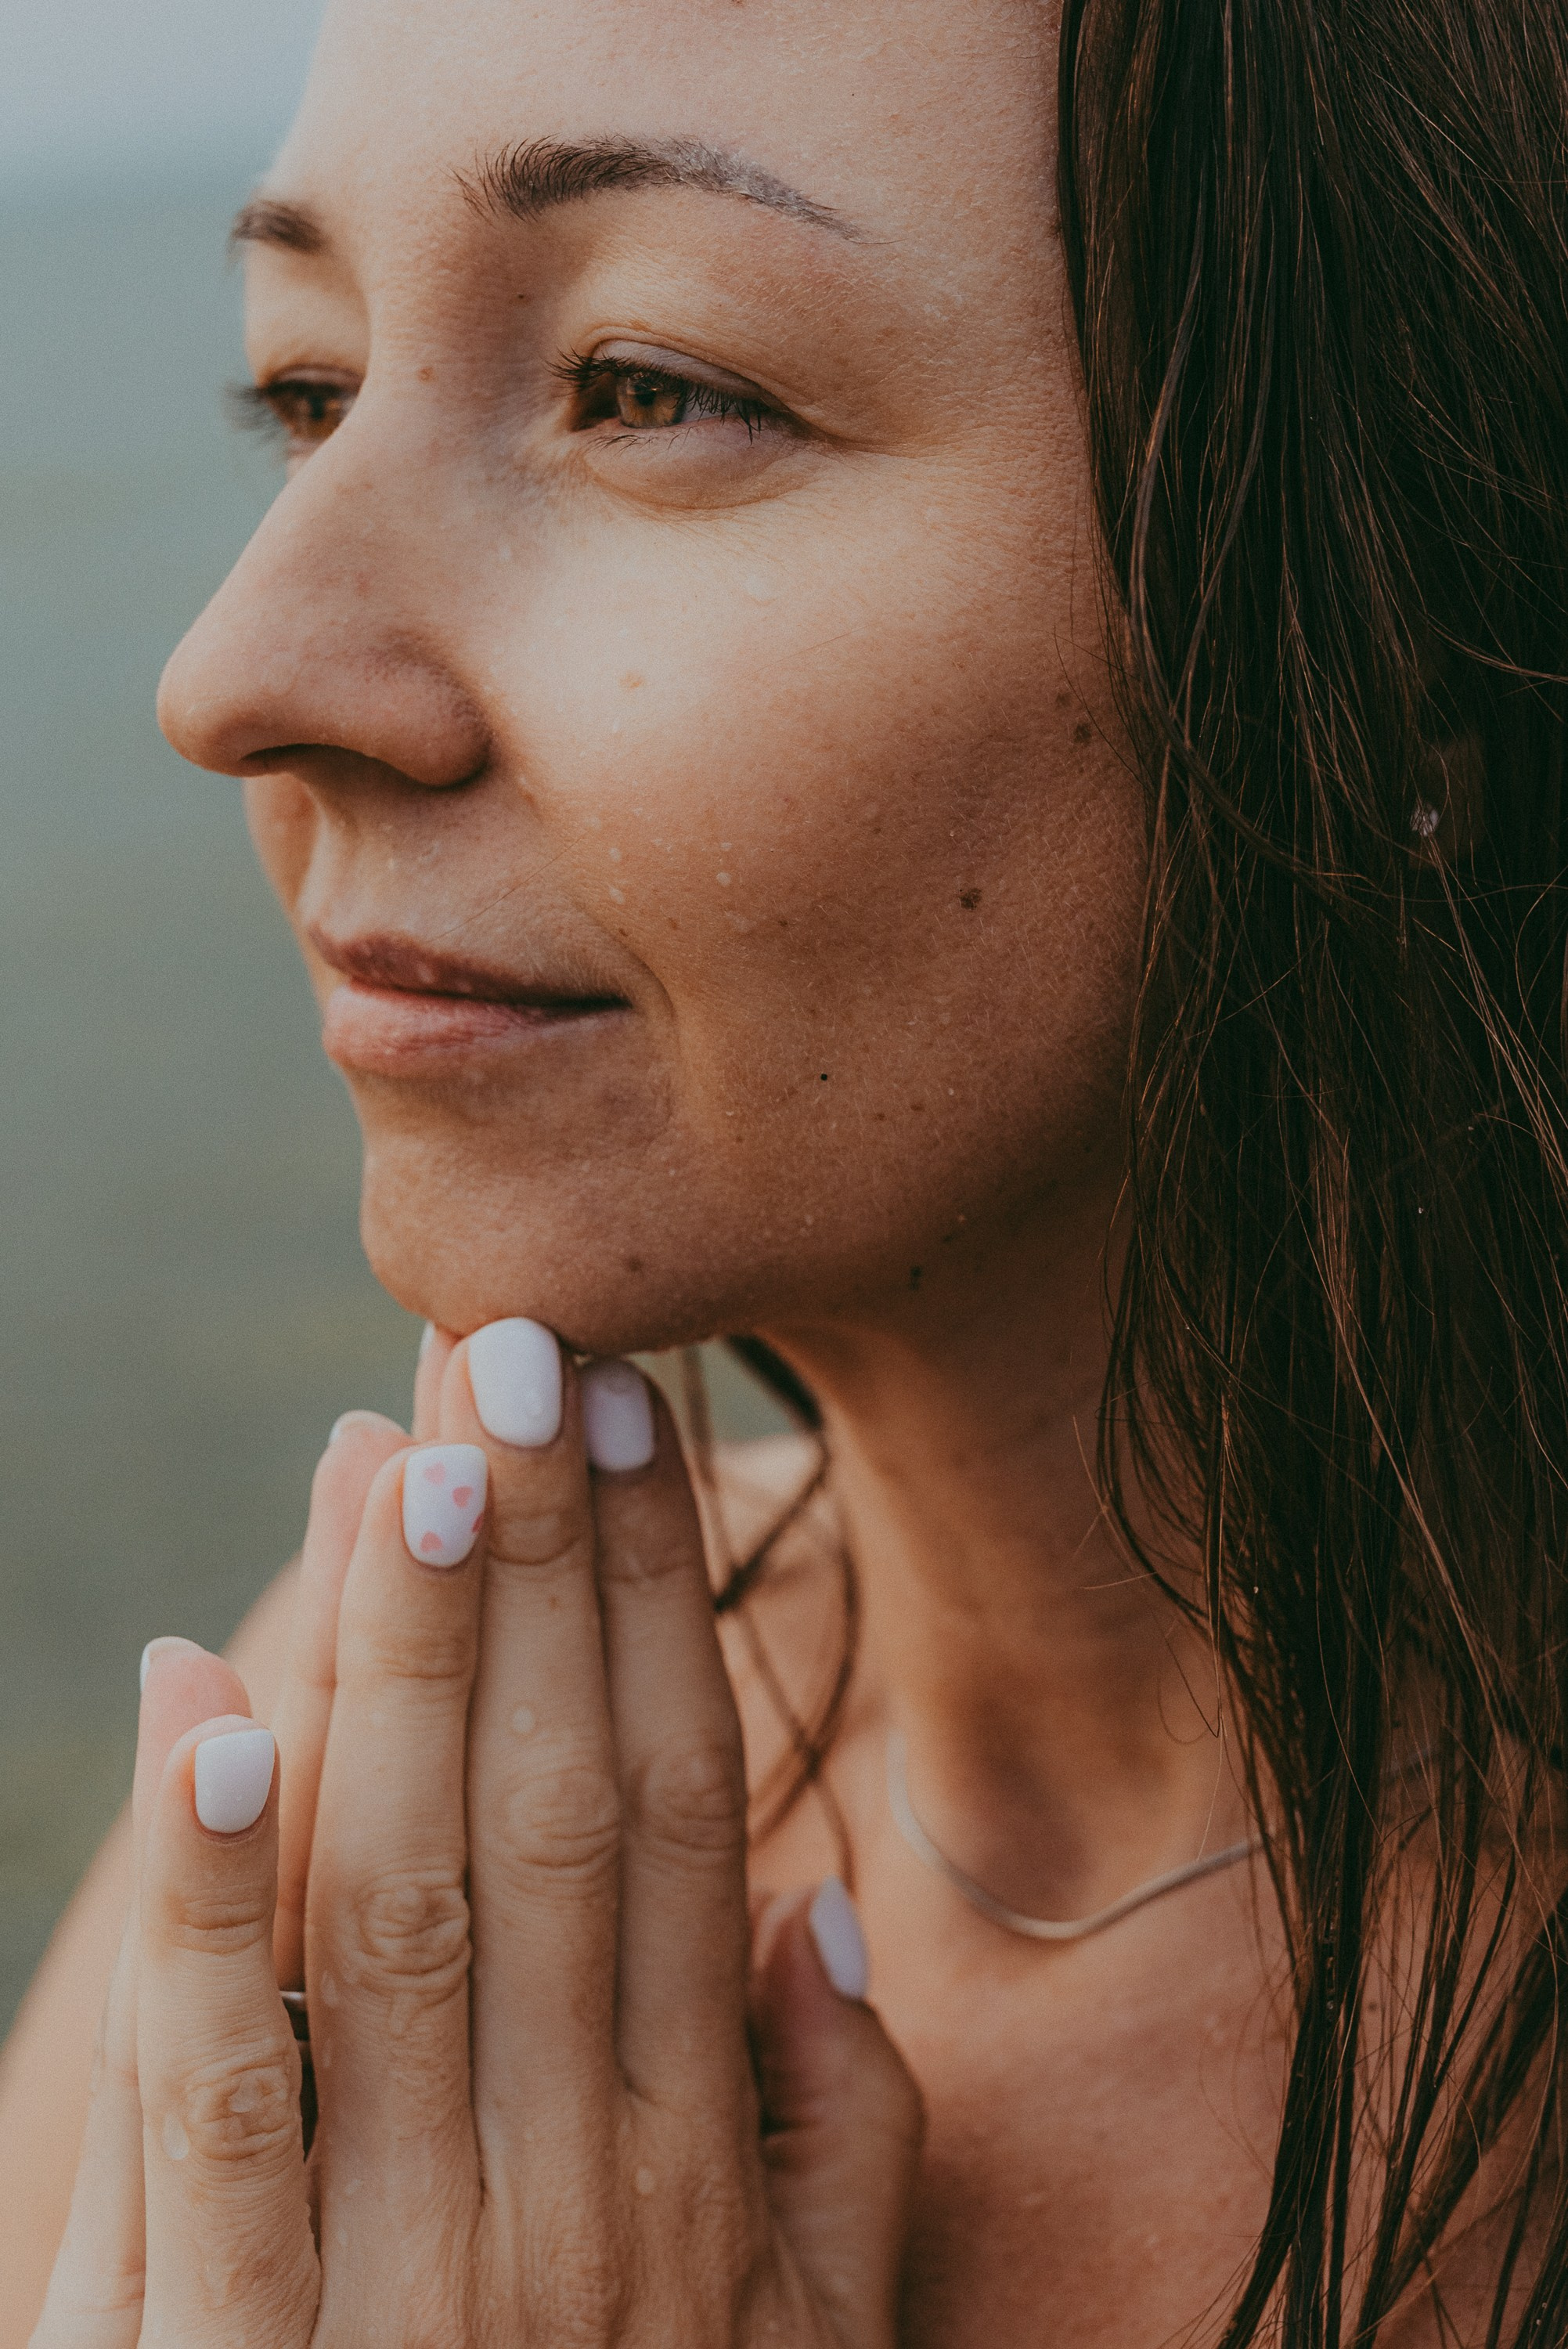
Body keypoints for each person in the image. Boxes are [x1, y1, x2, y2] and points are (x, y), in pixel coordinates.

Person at [5, 0, 1568, 2340]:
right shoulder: (368, 1836)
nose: (241, 671)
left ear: (1424, 601)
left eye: (650, 387)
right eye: (304, 392)